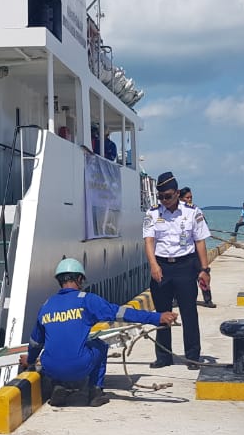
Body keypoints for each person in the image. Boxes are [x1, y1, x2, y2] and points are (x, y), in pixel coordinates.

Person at [20, 258, 175, 407]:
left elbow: (35, 342)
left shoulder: (47, 305)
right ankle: (95, 392)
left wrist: (30, 359)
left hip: (51, 367)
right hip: (79, 365)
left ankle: (58, 387)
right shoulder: (87, 300)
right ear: (79, 279)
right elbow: (121, 313)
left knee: (56, 350)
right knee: (100, 346)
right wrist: (157, 317)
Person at [143, 172, 211, 368]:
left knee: (189, 312)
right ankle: (164, 357)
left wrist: (204, 269)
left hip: (185, 266)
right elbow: (149, 241)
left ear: (177, 193)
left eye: (168, 196)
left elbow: (200, 242)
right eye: (161, 196)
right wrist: (153, 265)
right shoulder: (153, 213)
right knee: (162, 313)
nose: (164, 200)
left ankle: (192, 356)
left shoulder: (192, 212)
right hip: (162, 266)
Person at [180, 187, 216, 308]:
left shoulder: (195, 210)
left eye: (190, 197)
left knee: (202, 274)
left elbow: (202, 230)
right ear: (180, 199)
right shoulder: (177, 212)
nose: (189, 200)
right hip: (184, 249)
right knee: (180, 276)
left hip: (196, 250)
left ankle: (208, 299)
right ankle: (176, 299)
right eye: (187, 198)